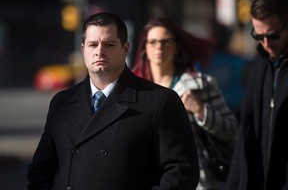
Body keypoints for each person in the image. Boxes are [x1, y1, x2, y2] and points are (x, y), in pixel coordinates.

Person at [27, 12, 200, 190]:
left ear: (126, 48)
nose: (99, 52)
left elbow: (181, 172)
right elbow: (41, 170)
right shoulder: (61, 102)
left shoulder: (159, 101)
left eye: (109, 44)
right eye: (93, 44)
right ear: (83, 49)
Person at [132, 17, 238, 190]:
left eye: (166, 42)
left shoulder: (200, 85)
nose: (159, 47)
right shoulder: (134, 92)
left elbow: (232, 130)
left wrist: (200, 110)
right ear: (145, 47)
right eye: (152, 42)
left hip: (196, 182)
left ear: (176, 47)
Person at [225, 0, 288, 190]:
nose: (266, 43)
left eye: (273, 35)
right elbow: (247, 133)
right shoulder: (259, 65)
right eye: (258, 36)